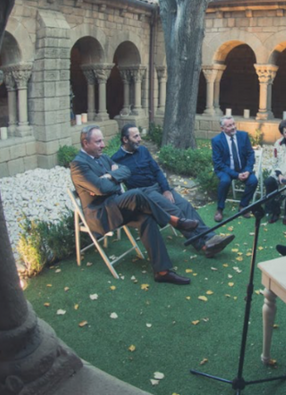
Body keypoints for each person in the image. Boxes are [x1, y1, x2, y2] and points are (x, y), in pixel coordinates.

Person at [70, 125, 197, 285]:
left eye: (102, 140)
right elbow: (101, 188)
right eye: (98, 142)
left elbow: (126, 171)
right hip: (102, 215)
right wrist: (112, 180)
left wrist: (109, 176)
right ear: (85, 143)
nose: (103, 145)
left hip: (116, 206)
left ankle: (162, 271)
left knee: (147, 218)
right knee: (136, 193)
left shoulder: (102, 157)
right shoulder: (78, 165)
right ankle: (174, 221)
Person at [111, 123, 235, 258]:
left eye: (139, 135)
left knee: (185, 205)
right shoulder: (116, 160)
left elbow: (157, 171)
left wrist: (166, 189)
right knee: (176, 211)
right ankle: (203, 245)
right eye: (135, 136)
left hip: (159, 187)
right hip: (145, 194)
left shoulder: (143, 150)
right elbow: (113, 185)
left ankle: (211, 237)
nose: (140, 139)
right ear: (125, 140)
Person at [211, 116, 258, 222]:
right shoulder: (216, 141)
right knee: (225, 181)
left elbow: (250, 154)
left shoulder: (243, 136)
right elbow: (219, 163)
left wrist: (247, 170)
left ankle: (243, 206)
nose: (233, 127)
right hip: (225, 170)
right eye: (229, 125)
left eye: (233, 124)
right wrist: (236, 175)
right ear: (222, 129)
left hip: (243, 169)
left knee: (253, 181)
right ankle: (220, 209)